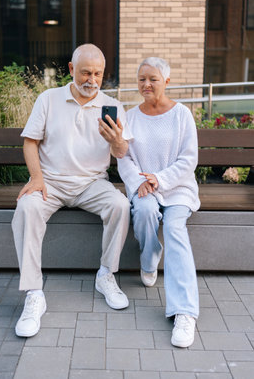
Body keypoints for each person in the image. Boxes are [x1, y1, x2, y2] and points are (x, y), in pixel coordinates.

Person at [12, 44, 132, 338]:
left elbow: (122, 152)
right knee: (26, 208)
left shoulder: (113, 106)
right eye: (85, 72)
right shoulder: (48, 99)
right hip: (50, 181)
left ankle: (106, 275)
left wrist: (116, 141)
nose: (92, 80)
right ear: (70, 69)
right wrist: (36, 178)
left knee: (120, 204)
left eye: (98, 74)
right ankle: (33, 293)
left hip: (92, 183)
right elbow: (30, 141)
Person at [117, 57, 200, 348]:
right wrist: (141, 182)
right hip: (143, 189)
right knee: (144, 212)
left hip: (177, 189)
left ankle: (185, 312)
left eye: (153, 79)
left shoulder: (181, 115)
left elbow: (189, 160)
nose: (146, 84)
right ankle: (149, 259)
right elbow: (124, 158)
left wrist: (160, 179)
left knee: (176, 229)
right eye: (141, 79)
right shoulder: (129, 115)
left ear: (166, 81)